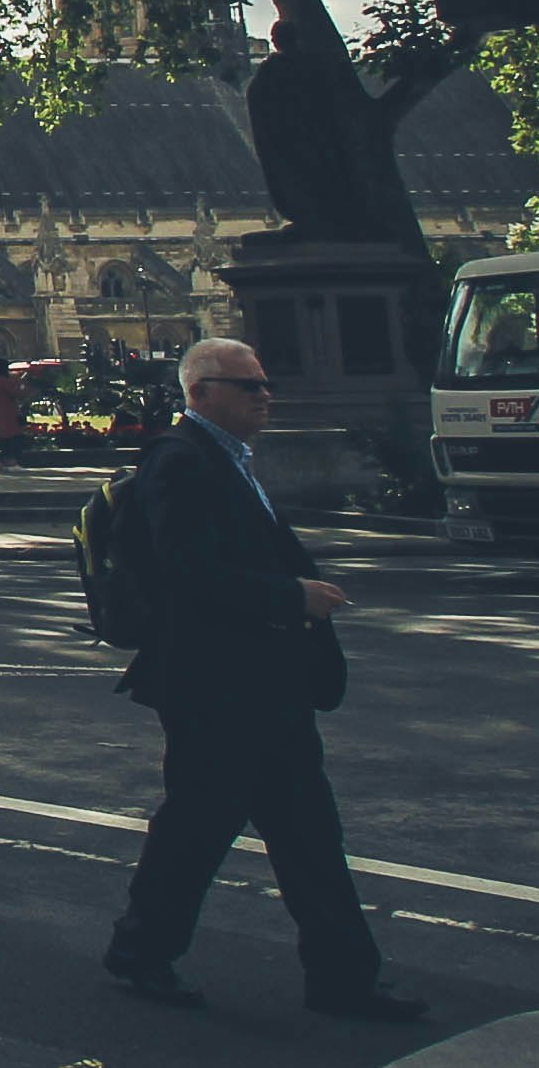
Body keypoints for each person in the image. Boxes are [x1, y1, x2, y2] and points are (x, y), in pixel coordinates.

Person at [102, 337, 423, 1023]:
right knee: (200, 826)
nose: (265, 396)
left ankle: (343, 977)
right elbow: (188, 574)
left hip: (260, 679)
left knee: (304, 830)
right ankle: (141, 949)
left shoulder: (223, 461)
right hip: (215, 682)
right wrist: (291, 597)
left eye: (265, 384)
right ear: (202, 393)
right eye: (249, 387)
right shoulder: (181, 464)